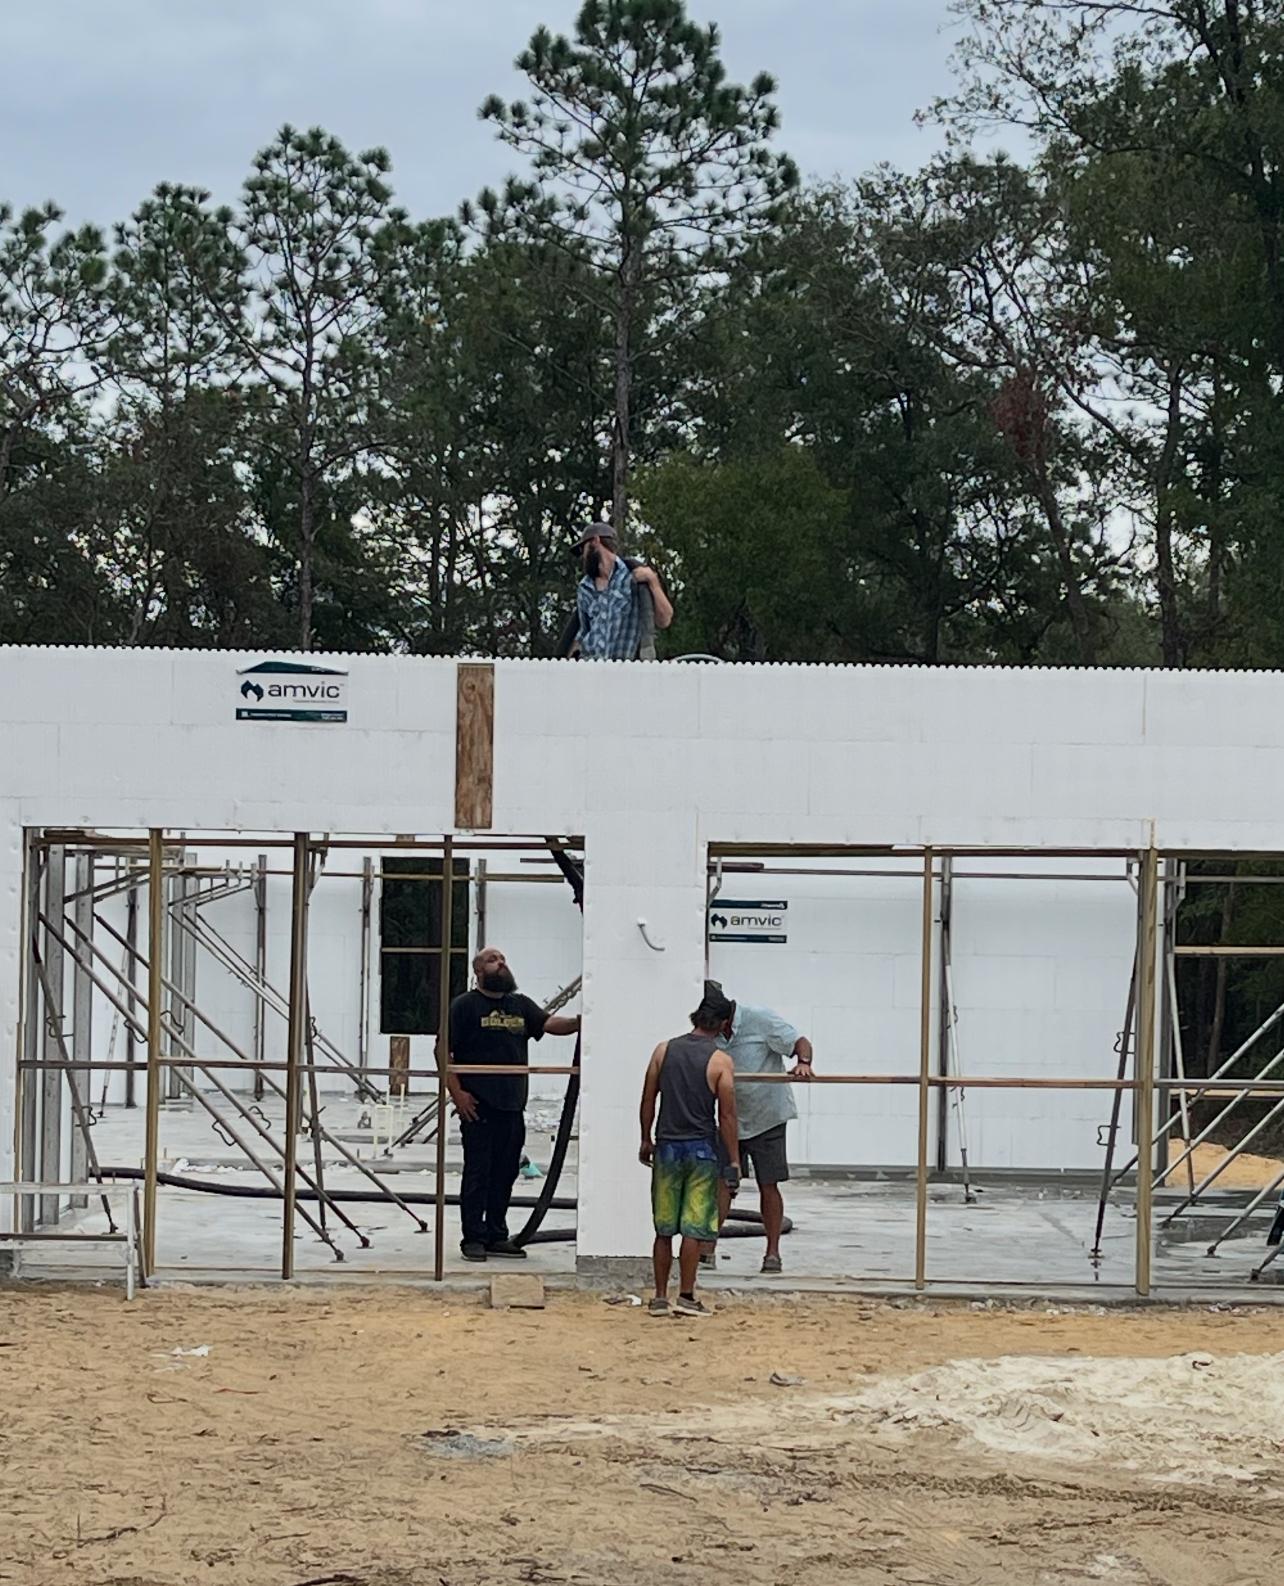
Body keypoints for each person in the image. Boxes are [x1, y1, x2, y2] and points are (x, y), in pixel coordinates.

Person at [446, 946, 580, 1262]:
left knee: (505, 1172)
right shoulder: (464, 1006)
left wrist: (580, 1022)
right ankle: (473, 1238)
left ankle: (496, 1234)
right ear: (478, 970)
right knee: (478, 1172)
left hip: (511, 1106)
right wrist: (457, 1094)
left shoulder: (519, 1005)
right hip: (478, 1107)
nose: (501, 964)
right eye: (493, 960)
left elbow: (549, 1024)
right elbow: (444, 1051)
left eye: (503, 959)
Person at [638, 987, 740, 1317]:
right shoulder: (721, 1062)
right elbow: (726, 1116)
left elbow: (648, 1098)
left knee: (664, 1227)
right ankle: (686, 1294)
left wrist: (645, 1138)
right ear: (723, 1024)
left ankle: (658, 1296)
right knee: (694, 1226)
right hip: (701, 1150)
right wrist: (734, 1159)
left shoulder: (663, 1050)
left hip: (666, 1145)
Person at [702, 979, 814, 1275]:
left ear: (724, 1020)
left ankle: (772, 1253)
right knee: (723, 1182)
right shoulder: (706, 1030)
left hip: (767, 1116)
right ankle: (708, 1249)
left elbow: (800, 1042)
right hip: (728, 1118)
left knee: (768, 1184)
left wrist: (803, 1062)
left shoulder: (759, 1019)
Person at [572, 523, 673, 659]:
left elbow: (665, 620)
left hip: (624, 671)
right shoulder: (584, 587)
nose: (583, 556)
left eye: (583, 549)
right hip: (591, 670)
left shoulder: (634, 575)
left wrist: (653, 582)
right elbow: (583, 633)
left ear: (595, 541)